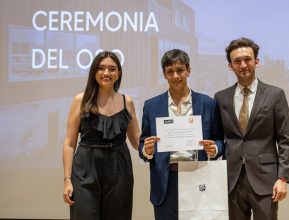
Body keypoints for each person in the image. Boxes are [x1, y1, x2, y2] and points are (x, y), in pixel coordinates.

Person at [214, 37, 289, 220]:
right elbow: (218, 138)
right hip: (231, 180)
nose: (243, 65)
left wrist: (282, 178)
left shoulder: (275, 95)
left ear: (256, 62)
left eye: (247, 59)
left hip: (266, 180)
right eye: (237, 61)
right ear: (230, 66)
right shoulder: (221, 98)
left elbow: (286, 141)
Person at [138, 49, 224, 220]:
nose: (176, 76)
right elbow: (142, 144)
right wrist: (146, 150)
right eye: (170, 71)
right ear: (164, 74)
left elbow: (220, 140)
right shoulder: (151, 106)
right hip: (165, 181)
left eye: (180, 70)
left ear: (188, 70)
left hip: (198, 177)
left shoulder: (208, 103)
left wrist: (214, 148)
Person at [62, 51, 140, 220]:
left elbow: (136, 141)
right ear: (94, 72)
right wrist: (67, 180)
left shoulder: (127, 101)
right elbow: (69, 143)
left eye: (112, 69)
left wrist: (162, 140)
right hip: (85, 168)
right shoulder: (80, 100)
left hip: (119, 168)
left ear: (119, 73)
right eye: (101, 68)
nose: (106, 73)